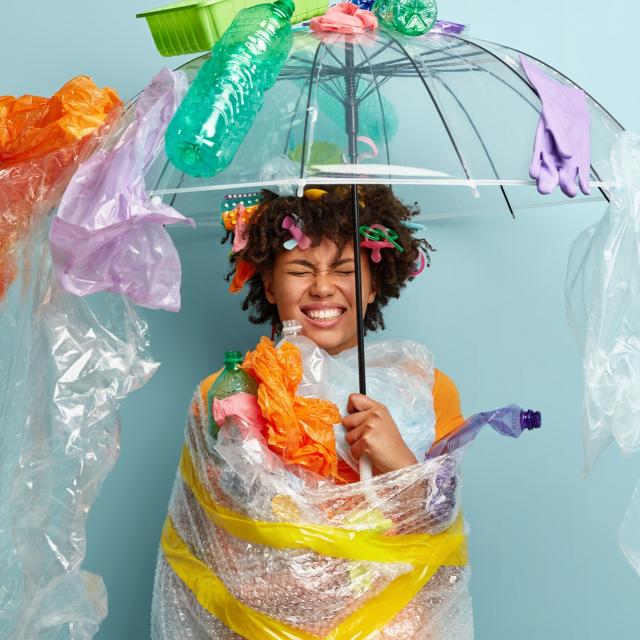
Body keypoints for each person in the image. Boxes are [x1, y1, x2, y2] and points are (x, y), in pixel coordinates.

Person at [151, 184, 473, 640]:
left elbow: (442, 531)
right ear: (268, 284)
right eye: (301, 269)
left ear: (373, 285)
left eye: (344, 270)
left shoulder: (424, 389)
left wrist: (398, 461)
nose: (323, 287)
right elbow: (213, 542)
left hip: (397, 626)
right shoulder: (227, 392)